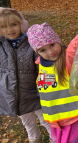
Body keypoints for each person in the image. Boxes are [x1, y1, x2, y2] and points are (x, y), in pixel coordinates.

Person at [27, 23, 78, 143]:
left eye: (52, 45)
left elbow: (73, 50)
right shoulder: (41, 64)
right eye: (43, 50)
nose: (51, 52)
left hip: (71, 116)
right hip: (56, 118)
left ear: (58, 41)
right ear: (38, 52)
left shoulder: (66, 60)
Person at [0, 8, 51, 143]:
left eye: (13, 24)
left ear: (21, 25)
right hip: (17, 97)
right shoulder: (1, 46)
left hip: (36, 93)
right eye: (3, 27)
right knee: (29, 125)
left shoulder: (31, 43)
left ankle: (57, 139)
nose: (9, 30)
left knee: (47, 121)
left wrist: (48, 89)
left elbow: (43, 68)